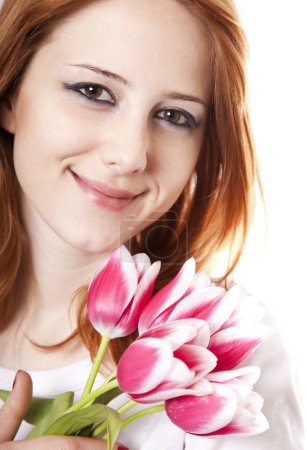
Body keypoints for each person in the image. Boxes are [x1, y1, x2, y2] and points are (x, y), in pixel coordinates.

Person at [0, 0, 304, 449]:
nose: (131, 155)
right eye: (93, 91)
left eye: (174, 116)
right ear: (9, 93)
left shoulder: (216, 349)